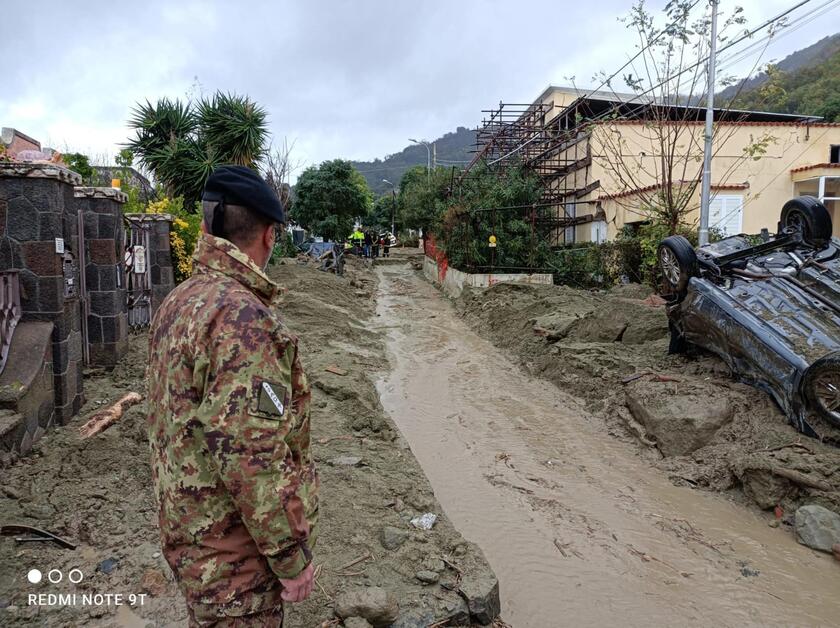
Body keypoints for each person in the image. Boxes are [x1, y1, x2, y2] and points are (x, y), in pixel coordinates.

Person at [147, 165, 319, 628]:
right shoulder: (245, 319)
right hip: (235, 561)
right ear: (269, 236)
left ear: (205, 226)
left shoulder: (179, 302)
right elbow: (251, 454)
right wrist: (290, 558)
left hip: (191, 536)